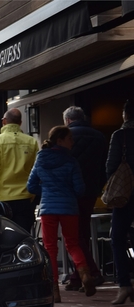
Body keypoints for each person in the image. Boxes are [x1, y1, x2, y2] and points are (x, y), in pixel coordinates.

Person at [27, 125, 96, 302]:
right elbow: (80, 189)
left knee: (50, 248)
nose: (72, 142)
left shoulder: (41, 159)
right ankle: (85, 274)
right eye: (69, 138)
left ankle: (54, 290)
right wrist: (67, 192)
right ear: (60, 140)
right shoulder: (71, 161)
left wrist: (47, 190)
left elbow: (31, 186)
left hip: (48, 208)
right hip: (69, 208)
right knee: (73, 244)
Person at [63, 106, 108, 292]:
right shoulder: (99, 136)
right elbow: (106, 166)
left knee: (73, 236)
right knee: (82, 234)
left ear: (67, 120)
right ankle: (78, 276)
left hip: (69, 193)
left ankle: (92, 273)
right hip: (90, 192)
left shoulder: (64, 137)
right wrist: (98, 186)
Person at [0, 108, 40, 232]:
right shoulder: (31, 141)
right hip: (25, 197)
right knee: (23, 235)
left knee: (5, 237)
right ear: (20, 123)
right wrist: (32, 195)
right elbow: (36, 170)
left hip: (3, 199)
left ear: (4, 121)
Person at [106, 99, 134, 305]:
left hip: (125, 195)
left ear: (125, 114)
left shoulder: (120, 135)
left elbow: (111, 166)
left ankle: (124, 286)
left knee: (117, 238)